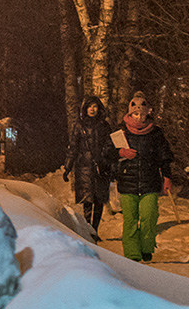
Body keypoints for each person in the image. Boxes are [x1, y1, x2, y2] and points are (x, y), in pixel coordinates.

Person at [113, 90, 173, 262]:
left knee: (149, 217)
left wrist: (167, 177)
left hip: (150, 181)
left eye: (142, 114)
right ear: (130, 113)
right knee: (130, 220)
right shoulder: (121, 132)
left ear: (148, 114)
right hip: (127, 182)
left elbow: (165, 156)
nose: (139, 117)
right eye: (136, 114)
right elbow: (107, 153)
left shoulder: (156, 133)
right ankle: (132, 255)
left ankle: (146, 248)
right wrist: (121, 152)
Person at [64, 95, 114, 236]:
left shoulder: (104, 126)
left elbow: (110, 144)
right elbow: (73, 147)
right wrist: (68, 166)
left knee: (99, 200)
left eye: (95, 106)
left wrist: (106, 156)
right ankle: (87, 231)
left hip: (101, 167)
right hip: (84, 168)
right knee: (87, 201)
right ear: (85, 109)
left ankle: (94, 230)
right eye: (90, 106)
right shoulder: (79, 126)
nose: (92, 109)